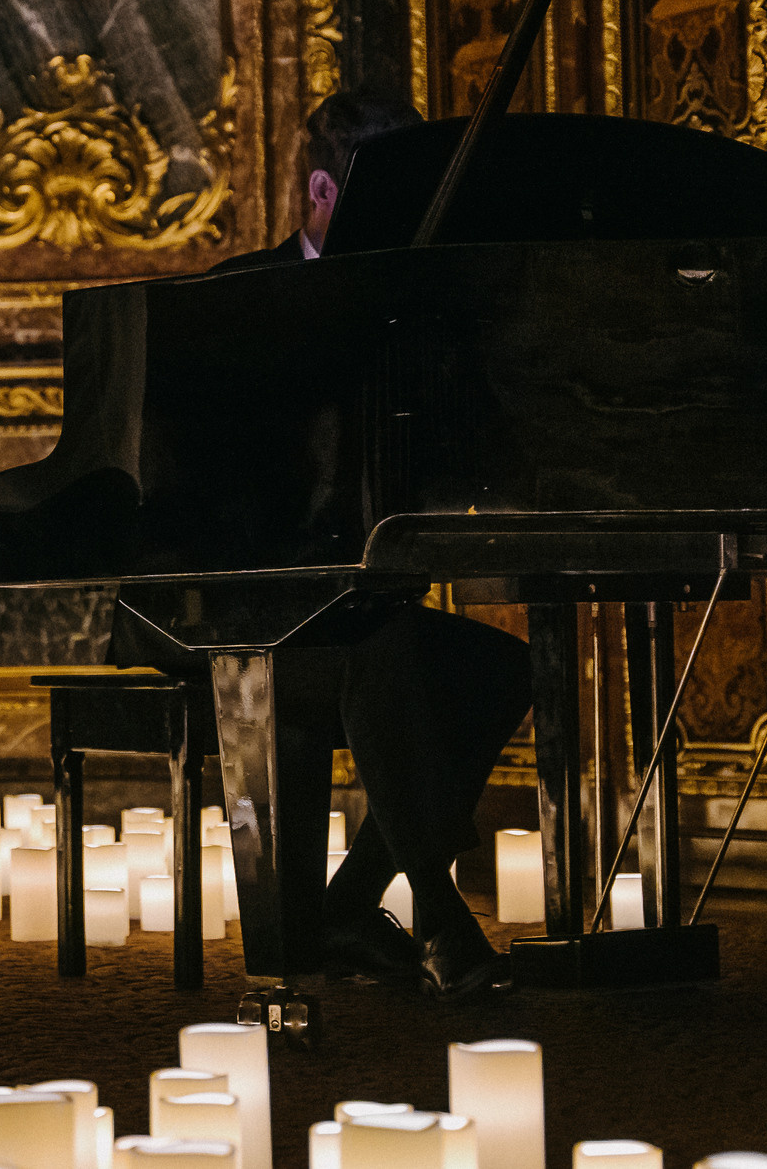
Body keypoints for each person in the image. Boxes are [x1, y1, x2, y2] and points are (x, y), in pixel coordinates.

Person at [118, 88, 534, 1002]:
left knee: (498, 670)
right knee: (375, 651)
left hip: (344, 608)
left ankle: (347, 904)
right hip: (219, 605)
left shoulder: (400, 312)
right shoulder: (235, 299)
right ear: (320, 190)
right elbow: (178, 491)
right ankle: (438, 910)